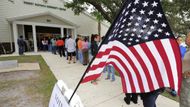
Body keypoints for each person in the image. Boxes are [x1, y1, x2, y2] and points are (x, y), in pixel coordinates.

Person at [180, 32, 190, 107]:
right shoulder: (188, 50)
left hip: (188, 81)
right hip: (184, 80)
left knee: (186, 102)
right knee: (183, 101)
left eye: (187, 37)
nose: (186, 39)